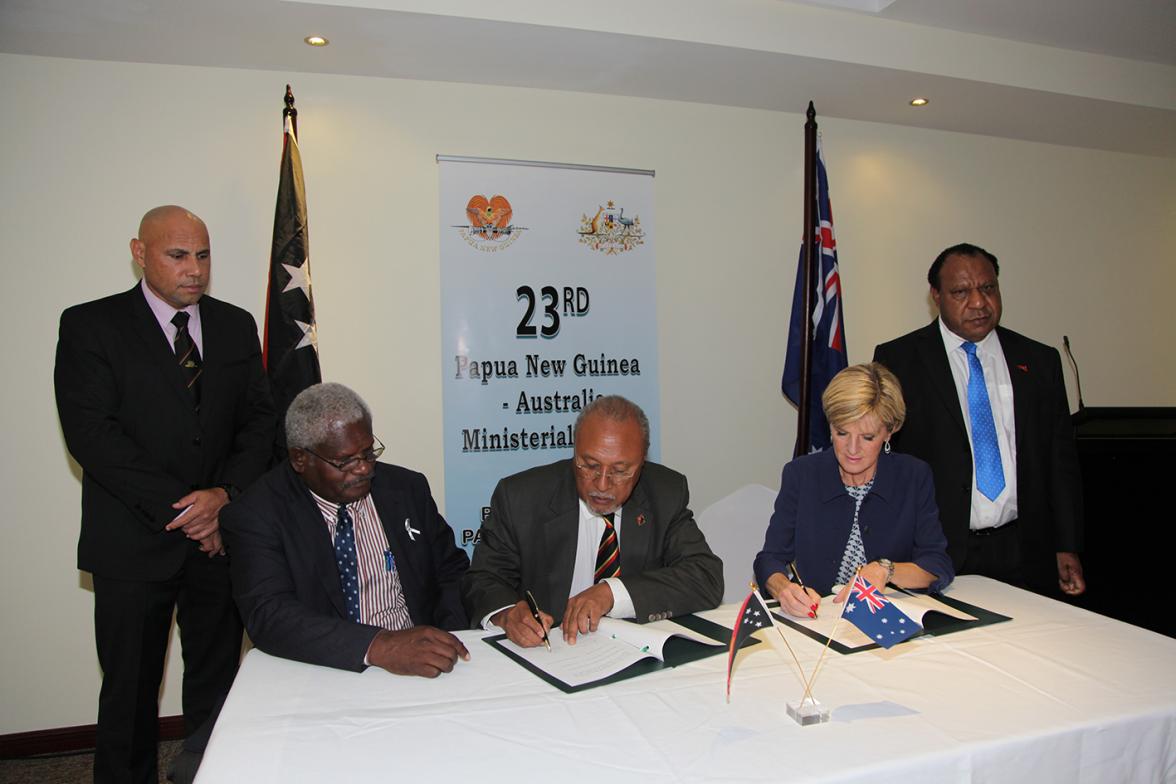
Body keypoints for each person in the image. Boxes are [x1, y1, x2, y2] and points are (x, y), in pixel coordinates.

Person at [54, 205, 275, 784]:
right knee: (128, 692)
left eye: (203, 255)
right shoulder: (90, 326)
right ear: (139, 251)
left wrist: (224, 497)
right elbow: (93, 436)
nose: (194, 270)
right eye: (178, 255)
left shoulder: (234, 324)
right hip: (133, 543)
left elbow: (258, 423)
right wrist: (190, 508)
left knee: (218, 683)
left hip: (220, 543)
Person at [873, 242, 1085, 597]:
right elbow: (887, 463)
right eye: (961, 292)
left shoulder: (1039, 361)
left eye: (988, 288)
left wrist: (1068, 543)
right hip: (936, 552)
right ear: (936, 296)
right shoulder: (899, 361)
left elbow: (1060, 461)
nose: (978, 303)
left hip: (1025, 548)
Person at [221, 382, 471, 676]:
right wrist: (379, 646)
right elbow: (270, 615)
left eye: (368, 453)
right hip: (324, 669)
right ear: (300, 459)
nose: (364, 468)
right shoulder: (257, 514)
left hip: (420, 660)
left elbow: (451, 571)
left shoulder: (406, 489)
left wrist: (448, 638)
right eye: (345, 461)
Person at [462, 395, 723, 647]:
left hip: (632, 651)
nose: (601, 484)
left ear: (642, 463)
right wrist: (507, 614)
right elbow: (484, 579)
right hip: (550, 653)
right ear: (574, 451)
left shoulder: (665, 493)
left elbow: (705, 576)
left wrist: (612, 593)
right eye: (589, 465)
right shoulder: (520, 497)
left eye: (620, 471)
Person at [754, 364, 953, 618]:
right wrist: (784, 589)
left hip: (887, 618)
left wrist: (886, 570)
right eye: (842, 433)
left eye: (868, 437)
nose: (852, 449)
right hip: (819, 620)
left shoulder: (913, 476)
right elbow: (769, 559)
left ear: (889, 432)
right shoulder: (802, 475)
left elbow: (937, 564)